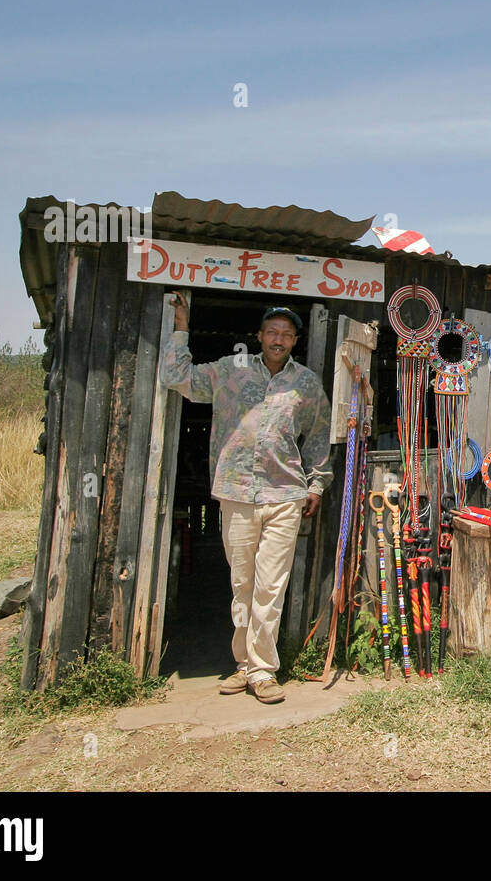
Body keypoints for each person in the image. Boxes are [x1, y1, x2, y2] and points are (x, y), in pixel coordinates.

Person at [160, 294, 332, 704]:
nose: (278, 339)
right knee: (243, 585)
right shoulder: (230, 370)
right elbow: (176, 376)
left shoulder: (305, 383)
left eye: (286, 334)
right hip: (237, 493)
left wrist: (316, 483)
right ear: (258, 336)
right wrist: (181, 325)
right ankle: (243, 665)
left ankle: (263, 671)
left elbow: (319, 433)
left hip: (284, 494)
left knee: (270, 587)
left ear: (294, 341)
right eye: (272, 332)